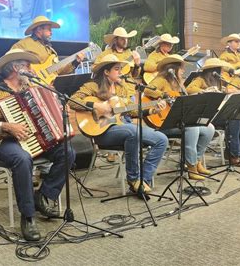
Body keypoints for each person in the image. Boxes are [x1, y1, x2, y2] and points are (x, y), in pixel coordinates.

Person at [0, 49, 75, 241]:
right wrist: (6, 126)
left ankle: (43, 195)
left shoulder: (32, 90)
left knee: (68, 151)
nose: (32, 69)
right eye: (27, 65)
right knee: (22, 158)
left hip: (36, 140)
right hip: (5, 142)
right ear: (16, 68)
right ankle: (28, 217)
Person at [69, 54, 168, 194]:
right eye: (117, 69)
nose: (121, 72)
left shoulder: (122, 87)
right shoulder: (92, 86)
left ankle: (143, 180)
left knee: (162, 139)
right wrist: (95, 105)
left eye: (121, 69)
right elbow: (72, 101)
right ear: (106, 72)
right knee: (132, 132)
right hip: (103, 131)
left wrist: (153, 109)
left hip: (123, 125)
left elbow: (130, 111)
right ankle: (133, 178)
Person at [144, 55, 215, 180]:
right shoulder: (161, 79)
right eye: (181, 68)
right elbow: (147, 91)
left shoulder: (178, 84)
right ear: (173, 68)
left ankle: (197, 161)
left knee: (209, 127)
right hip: (163, 122)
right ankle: (191, 166)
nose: (183, 71)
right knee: (192, 128)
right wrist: (165, 95)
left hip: (177, 120)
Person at [95, 27, 141, 162]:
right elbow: (96, 67)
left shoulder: (131, 53)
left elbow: (135, 75)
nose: (125, 41)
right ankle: (112, 149)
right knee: (112, 117)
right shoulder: (106, 53)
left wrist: (137, 65)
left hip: (128, 90)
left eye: (126, 38)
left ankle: (128, 149)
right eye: (122, 38)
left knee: (127, 117)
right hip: (110, 90)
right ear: (115, 40)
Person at [11, 15, 83, 79]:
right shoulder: (23, 44)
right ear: (39, 29)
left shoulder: (50, 50)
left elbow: (58, 71)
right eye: (49, 29)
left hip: (50, 86)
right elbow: (9, 62)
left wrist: (75, 62)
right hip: (30, 86)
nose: (51, 32)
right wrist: (27, 71)